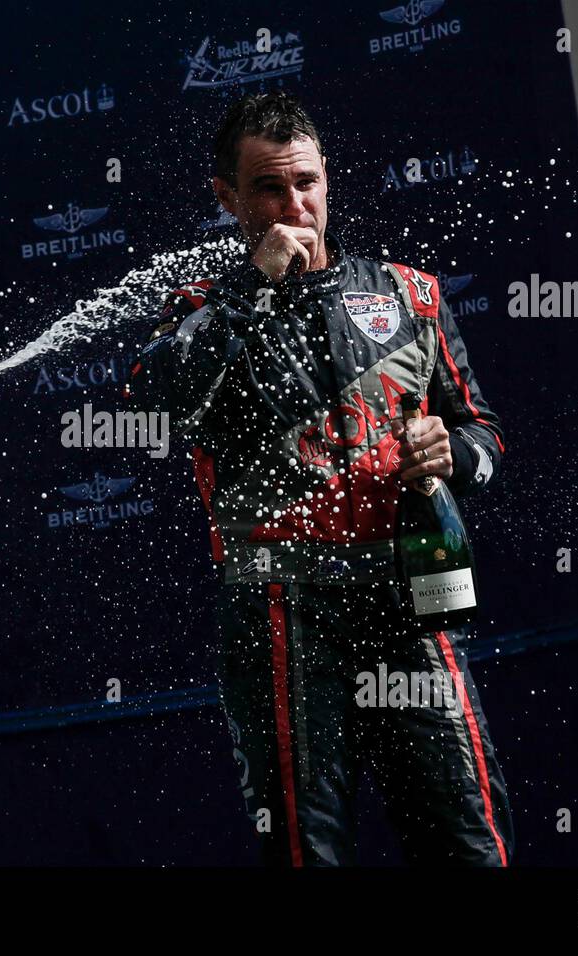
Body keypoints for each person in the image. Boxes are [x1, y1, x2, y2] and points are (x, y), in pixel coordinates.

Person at [124, 92, 512, 866]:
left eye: (306, 181)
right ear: (227, 197)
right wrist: (259, 289)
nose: (294, 204)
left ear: (328, 177)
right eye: (269, 187)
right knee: (307, 852)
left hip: (411, 608)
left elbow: (485, 433)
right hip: (280, 617)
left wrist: (452, 456)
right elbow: (154, 392)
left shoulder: (410, 294)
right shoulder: (201, 307)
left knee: (468, 843)